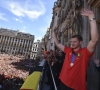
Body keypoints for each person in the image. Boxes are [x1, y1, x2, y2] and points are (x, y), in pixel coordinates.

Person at [53, 8, 99, 90]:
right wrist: (53, 32)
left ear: (80, 42)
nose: (72, 43)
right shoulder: (68, 50)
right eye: (71, 42)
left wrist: (91, 17)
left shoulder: (85, 52)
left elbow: (94, 40)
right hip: (62, 82)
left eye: (74, 42)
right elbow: (57, 43)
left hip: (76, 87)